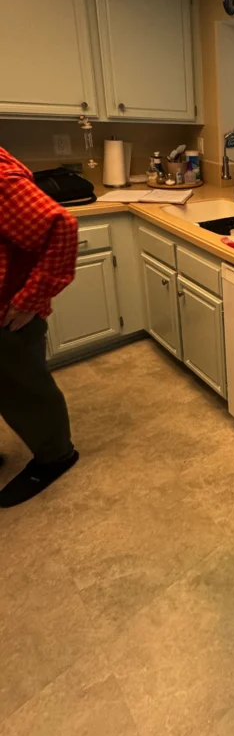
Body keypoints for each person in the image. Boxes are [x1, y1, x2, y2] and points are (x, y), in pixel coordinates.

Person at [0, 146, 79, 507]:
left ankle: (55, 455)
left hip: (7, 314)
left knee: (25, 388)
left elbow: (61, 227)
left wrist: (30, 299)